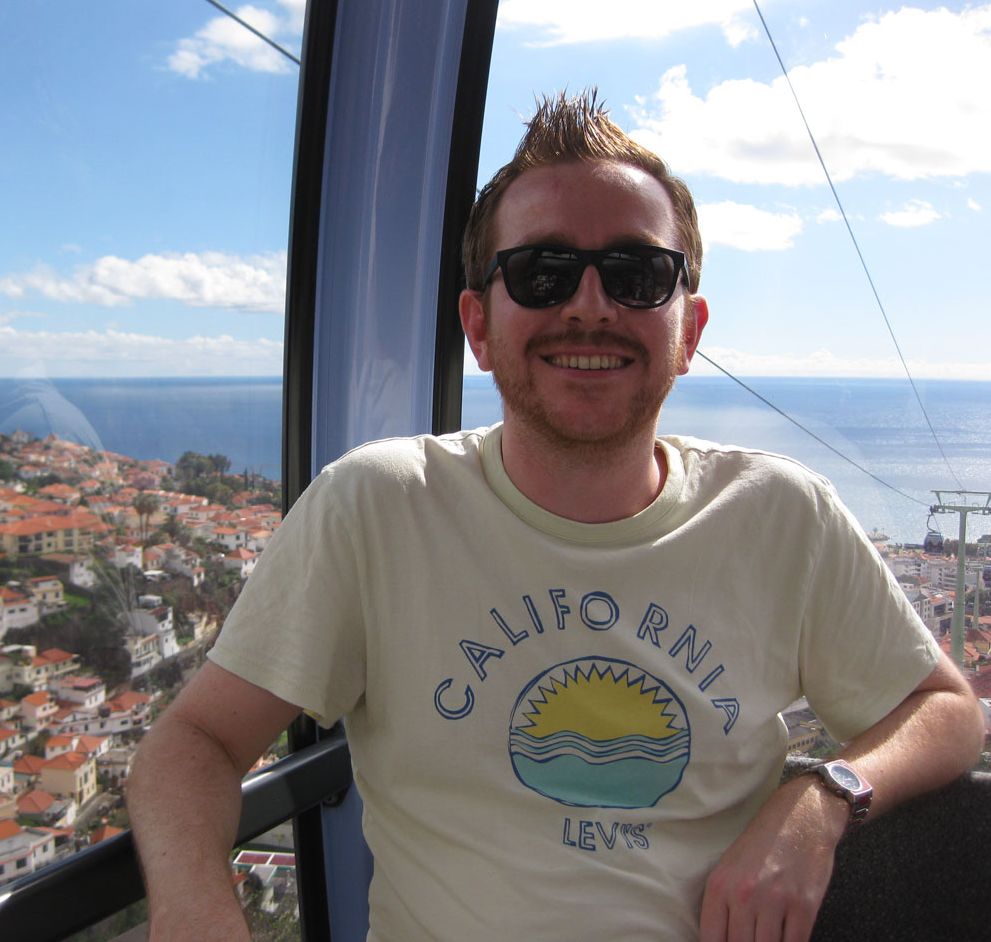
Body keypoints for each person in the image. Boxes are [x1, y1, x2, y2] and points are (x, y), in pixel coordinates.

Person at [126, 91, 984, 942]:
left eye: (637, 274)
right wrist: (197, 907)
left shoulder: (779, 514)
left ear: (689, 331)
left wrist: (821, 797)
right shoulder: (379, 507)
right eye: (542, 271)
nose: (589, 305)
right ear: (479, 326)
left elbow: (945, 712)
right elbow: (193, 743)